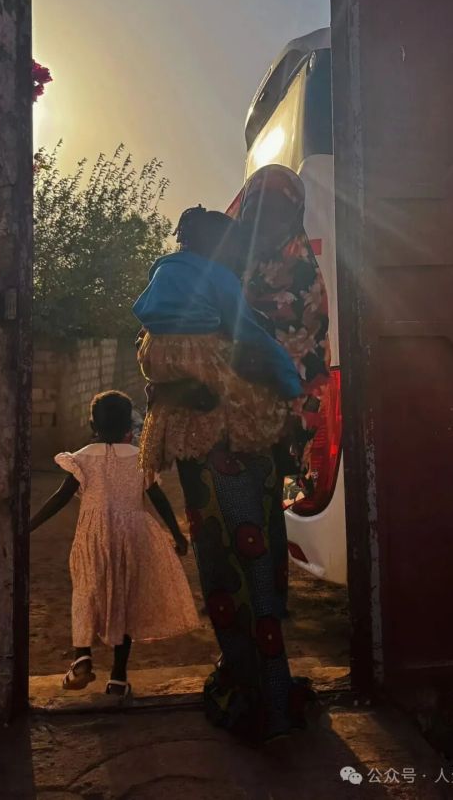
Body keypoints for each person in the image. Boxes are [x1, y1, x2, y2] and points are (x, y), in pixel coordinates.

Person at [135, 207, 311, 744]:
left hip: (200, 440)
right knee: (253, 559)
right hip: (237, 431)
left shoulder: (162, 286)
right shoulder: (221, 286)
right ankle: (266, 695)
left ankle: (247, 680)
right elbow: (251, 339)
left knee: (223, 559)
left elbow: (156, 365)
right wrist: (290, 384)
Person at [29, 389, 199, 701]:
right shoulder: (138, 458)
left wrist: (29, 526)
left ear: (92, 424)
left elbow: (61, 497)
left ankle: (82, 656)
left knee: (86, 590)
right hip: (133, 534)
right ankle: (118, 678)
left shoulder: (83, 458)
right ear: (128, 426)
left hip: (94, 535)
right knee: (124, 598)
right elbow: (158, 498)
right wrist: (177, 534)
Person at [133, 206, 302, 476]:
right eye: (234, 248)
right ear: (219, 246)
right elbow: (246, 329)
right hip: (198, 353)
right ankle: (283, 458)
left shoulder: (163, 268)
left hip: (153, 354)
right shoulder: (217, 274)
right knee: (257, 395)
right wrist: (288, 378)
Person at [227, 164, 331, 488]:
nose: (264, 221)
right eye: (256, 210)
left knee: (267, 503)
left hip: (280, 425)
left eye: (276, 211)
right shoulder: (224, 264)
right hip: (221, 422)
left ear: (293, 215)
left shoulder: (304, 277)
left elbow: (310, 358)